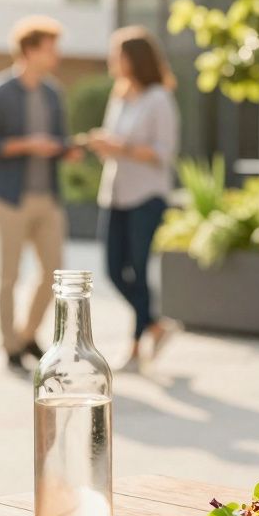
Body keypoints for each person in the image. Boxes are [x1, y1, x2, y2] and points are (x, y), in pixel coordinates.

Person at [0, 16, 75, 373]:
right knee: (9, 277)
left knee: (54, 275)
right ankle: (10, 346)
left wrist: (66, 149)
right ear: (30, 51)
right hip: (10, 198)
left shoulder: (53, 93)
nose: (55, 55)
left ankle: (28, 333)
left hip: (48, 196)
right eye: (50, 49)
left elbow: (60, 140)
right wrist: (26, 144)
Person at [86, 27, 180, 372]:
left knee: (138, 269)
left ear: (135, 59)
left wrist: (120, 147)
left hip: (147, 195)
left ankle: (136, 345)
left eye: (118, 54)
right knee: (112, 269)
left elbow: (164, 153)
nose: (113, 61)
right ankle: (156, 324)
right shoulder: (120, 95)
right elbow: (116, 147)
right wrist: (104, 146)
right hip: (115, 194)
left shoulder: (159, 98)